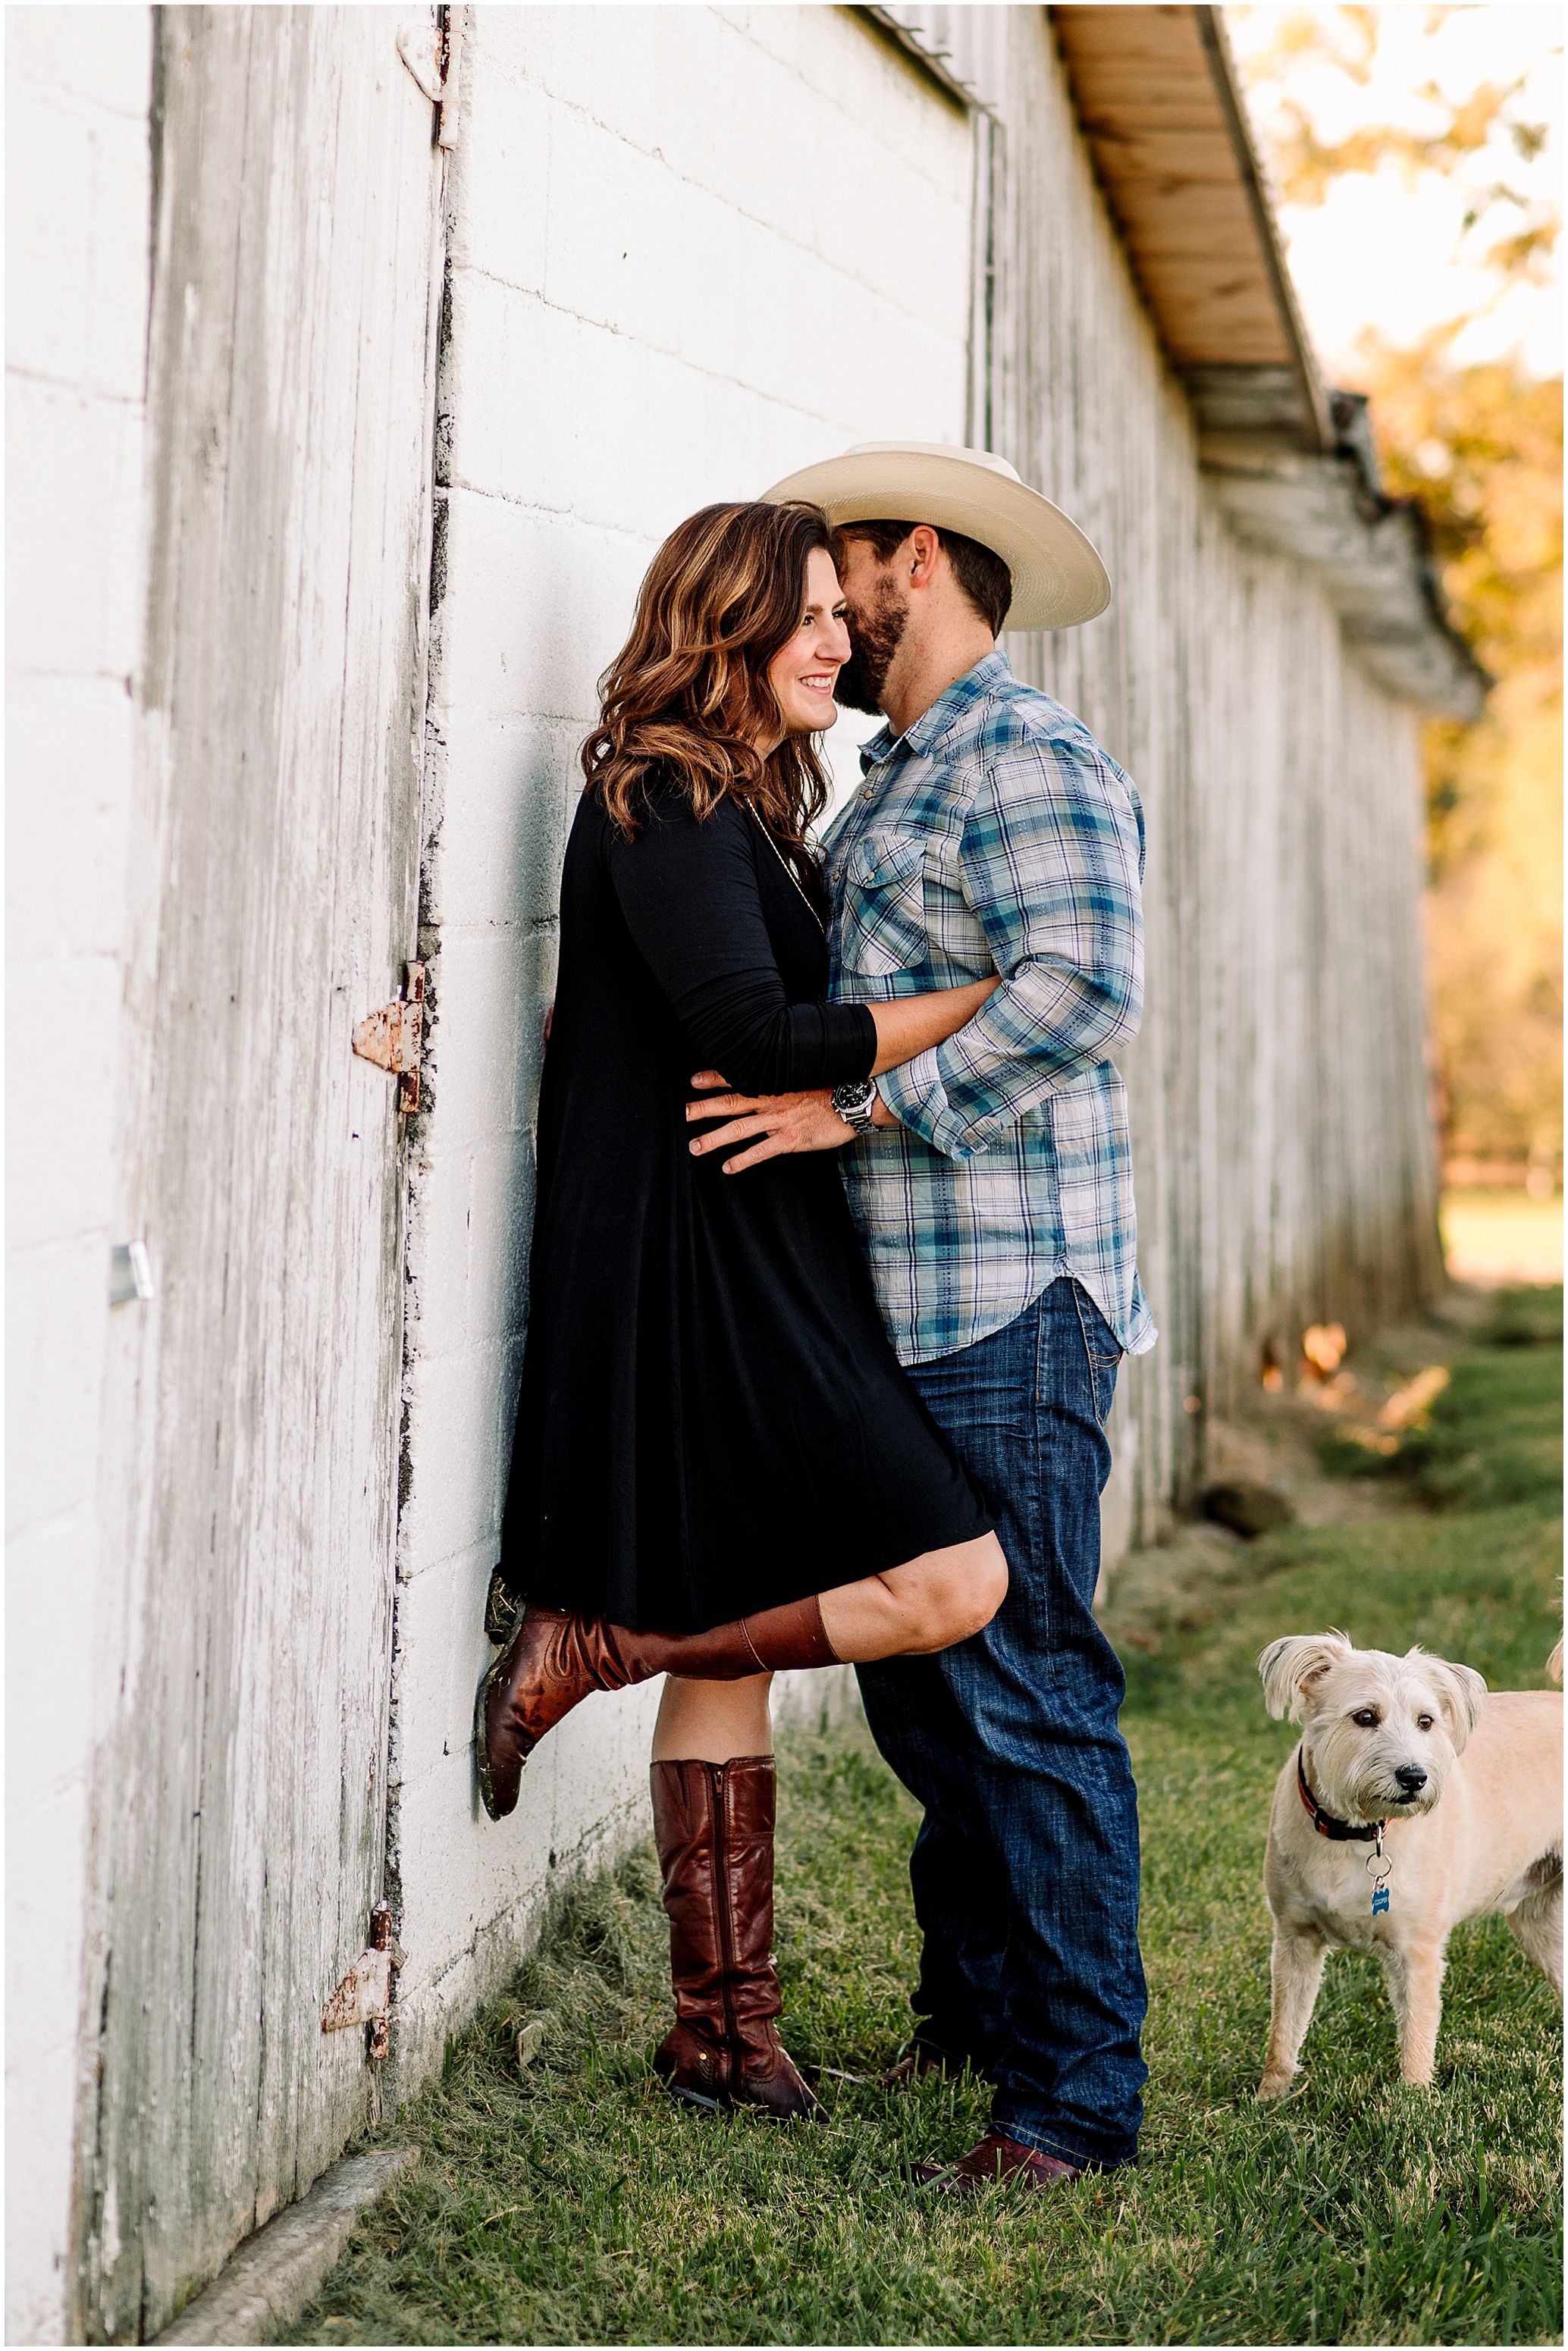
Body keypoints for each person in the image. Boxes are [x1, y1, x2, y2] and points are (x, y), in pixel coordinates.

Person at [480, 497, 1011, 2126]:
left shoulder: (731, 799)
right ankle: (609, 1639)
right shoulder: (659, 791)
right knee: (953, 1579)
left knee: (743, 1649)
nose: (839, 640)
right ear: (722, 621)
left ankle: (721, 2035)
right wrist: (971, 1000)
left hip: (748, 1248)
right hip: (703, 1275)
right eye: (808, 617)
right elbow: (751, 1029)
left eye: (843, 621)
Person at [688, 442, 1156, 2192]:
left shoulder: (1026, 756)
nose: (834, 603)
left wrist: (861, 1110)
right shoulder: (893, 780)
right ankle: (974, 2014)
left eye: (847, 573)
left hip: (1009, 1298)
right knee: (929, 1702)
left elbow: (1081, 988)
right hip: (899, 1308)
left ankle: (1071, 2108)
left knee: (1026, 1693)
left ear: (920, 559)